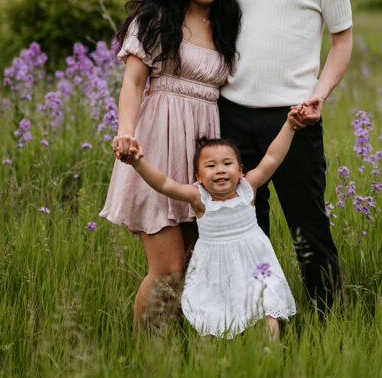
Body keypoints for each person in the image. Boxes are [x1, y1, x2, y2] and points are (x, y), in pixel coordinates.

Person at [218, 0, 353, 313]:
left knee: (307, 227)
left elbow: (342, 39)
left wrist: (317, 96)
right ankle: (253, 316)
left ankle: (325, 319)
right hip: (232, 115)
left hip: (293, 118)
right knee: (244, 227)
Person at [100, 0, 241, 325]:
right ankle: (142, 355)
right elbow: (132, 83)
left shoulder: (227, 24)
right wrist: (125, 133)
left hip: (203, 152)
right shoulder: (157, 17)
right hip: (159, 142)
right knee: (168, 272)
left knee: (196, 265)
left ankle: (179, 346)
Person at [125, 118, 299, 338]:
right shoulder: (199, 198)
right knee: (217, 315)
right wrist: (137, 163)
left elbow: (272, 157)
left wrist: (289, 126)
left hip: (255, 262)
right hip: (215, 267)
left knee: (266, 310)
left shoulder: (248, 188)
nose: (220, 171)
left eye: (227, 164)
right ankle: (218, 357)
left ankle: (271, 357)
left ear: (240, 170)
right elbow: (164, 184)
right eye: (210, 166)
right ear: (198, 177)